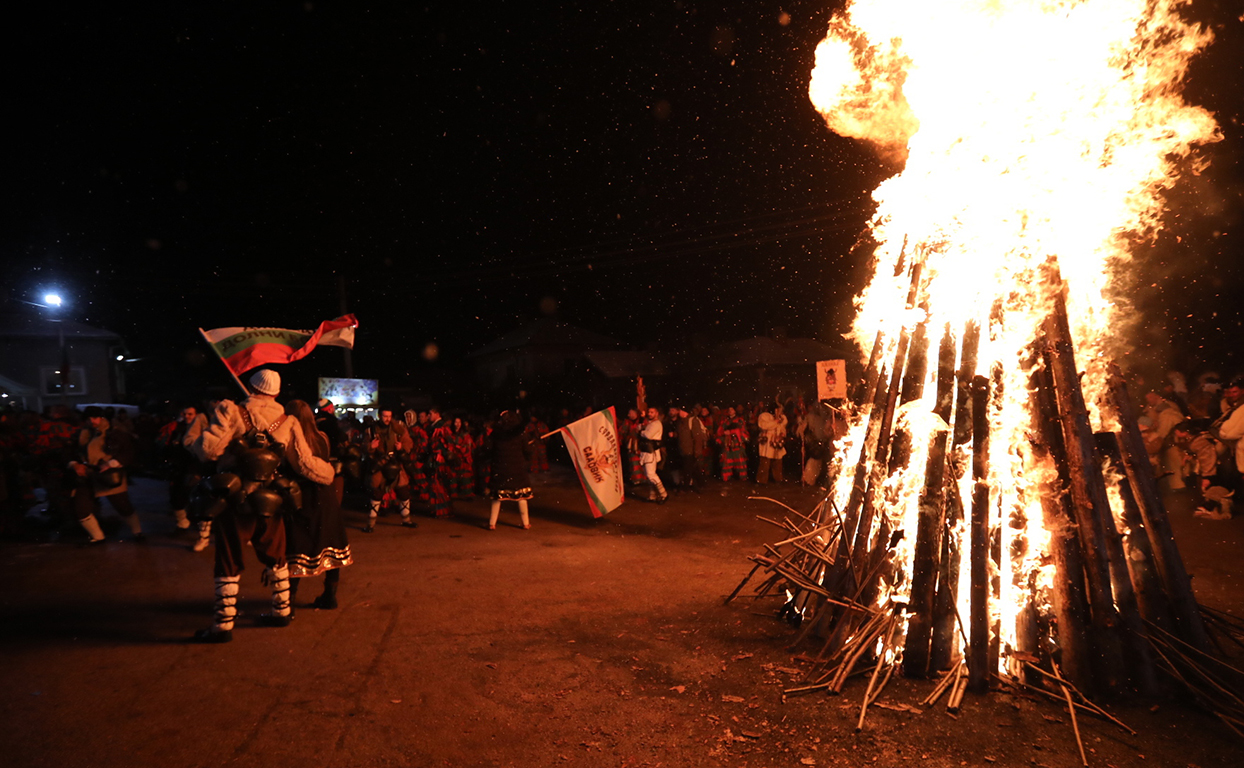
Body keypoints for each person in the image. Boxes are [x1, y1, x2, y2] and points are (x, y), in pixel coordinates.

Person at [189, 369, 335, 643]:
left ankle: (223, 624)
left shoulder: (230, 410)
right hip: (272, 499)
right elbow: (303, 463)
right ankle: (281, 611)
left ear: (252, 387)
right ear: (277, 393)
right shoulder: (287, 420)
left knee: (229, 559)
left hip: (235, 499)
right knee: (277, 555)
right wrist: (328, 473)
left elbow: (206, 450)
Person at [284, 400, 352, 609]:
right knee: (331, 543)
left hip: (303, 497)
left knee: (296, 547)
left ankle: (289, 598)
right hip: (326, 497)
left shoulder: (290, 441)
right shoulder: (321, 437)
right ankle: (329, 595)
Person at [69, 405, 142, 544]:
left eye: (95, 418)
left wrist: (112, 463)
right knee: (81, 507)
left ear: (102, 418)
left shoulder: (114, 432)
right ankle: (98, 537)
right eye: (89, 418)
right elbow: (72, 452)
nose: (92, 421)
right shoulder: (81, 434)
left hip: (108, 475)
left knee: (123, 506)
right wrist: (74, 464)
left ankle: (137, 532)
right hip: (87, 475)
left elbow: (129, 451)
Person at [157, 405, 208, 534]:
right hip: (180, 467)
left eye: (190, 414)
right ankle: (182, 524)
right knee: (176, 497)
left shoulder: (203, 429)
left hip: (197, 468)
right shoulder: (178, 428)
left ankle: (202, 528)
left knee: (199, 498)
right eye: (185, 414)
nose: (187, 417)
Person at [364, 409, 415, 532]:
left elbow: (408, 442)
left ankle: (406, 520)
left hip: (396, 463)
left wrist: (402, 447)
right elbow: (363, 446)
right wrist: (371, 447)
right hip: (380, 463)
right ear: (379, 416)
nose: (387, 419)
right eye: (385, 416)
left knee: (403, 492)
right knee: (377, 494)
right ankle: (370, 524)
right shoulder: (371, 430)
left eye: (389, 416)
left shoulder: (399, 428)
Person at [487, 409, 533, 530]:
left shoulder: (495, 433)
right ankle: (526, 523)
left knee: (497, 498)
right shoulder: (521, 434)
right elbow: (527, 451)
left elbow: (488, 449)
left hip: (500, 469)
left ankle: (492, 523)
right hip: (517, 470)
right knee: (521, 497)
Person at [638, 407, 667, 503]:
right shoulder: (650, 423)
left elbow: (648, 435)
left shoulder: (656, 424)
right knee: (648, 474)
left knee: (651, 474)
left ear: (656, 413)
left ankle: (663, 494)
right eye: (649, 412)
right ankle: (652, 495)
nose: (649, 414)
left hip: (651, 452)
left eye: (652, 412)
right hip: (646, 451)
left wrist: (641, 432)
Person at [756, 403, 789, 484]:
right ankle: (761, 480)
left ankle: (778, 479)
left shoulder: (780, 417)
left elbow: (783, 426)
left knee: (778, 461)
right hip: (767, 442)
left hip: (777, 440)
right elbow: (764, 426)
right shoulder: (764, 416)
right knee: (765, 462)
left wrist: (782, 433)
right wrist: (776, 422)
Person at [716, 406, 748, 483]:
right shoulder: (725, 421)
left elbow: (743, 431)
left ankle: (742, 476)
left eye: (732, 409)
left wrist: (733, 432)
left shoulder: (740, 420)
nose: (730, 411)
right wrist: (723, 433)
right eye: (729, 410)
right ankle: (726, 477)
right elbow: (720, 431)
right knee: (727, 459)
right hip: (727, 442)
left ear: (735, 411)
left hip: (736, 442)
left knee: (739, 460)